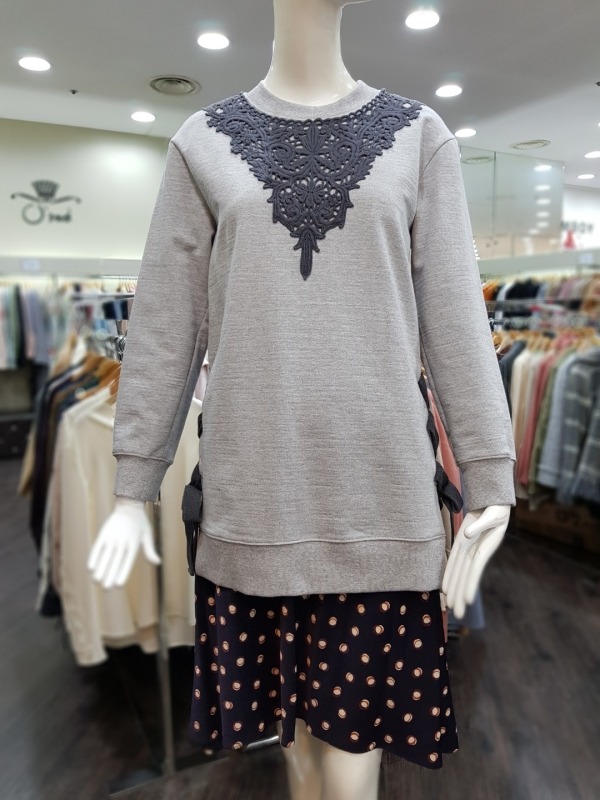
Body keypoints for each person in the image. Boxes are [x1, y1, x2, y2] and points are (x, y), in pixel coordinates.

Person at [88, 1, 516, 797]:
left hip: (380, 509)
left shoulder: (419, 138)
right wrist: (130, 485)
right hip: (252, 510)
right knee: (296, 750)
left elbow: (457, 319)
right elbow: (165, 325)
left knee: (351, 764)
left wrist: (490, 477)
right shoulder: (202, 143)